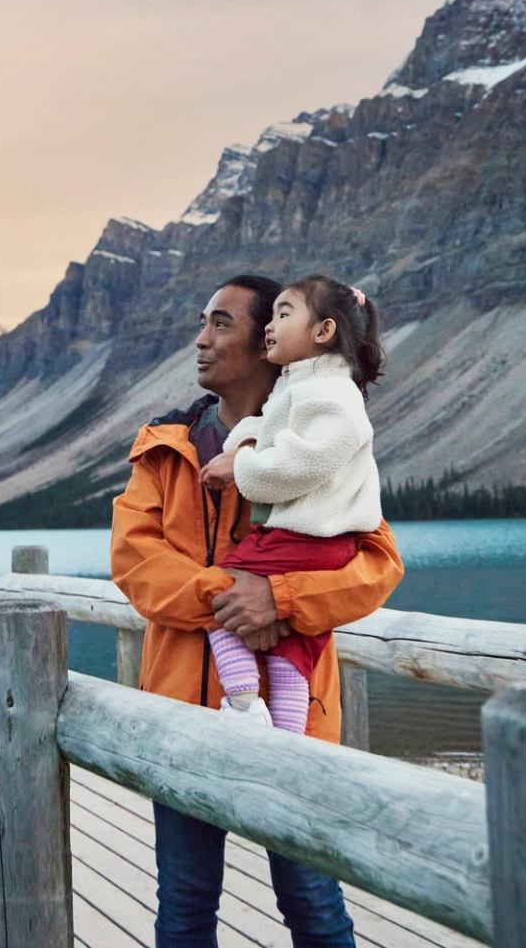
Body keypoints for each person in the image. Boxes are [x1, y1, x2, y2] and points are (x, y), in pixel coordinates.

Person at [109, 274, 404, 948]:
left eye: (220, 323)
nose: (200, 338)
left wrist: (282, 598)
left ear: (267, 340)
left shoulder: (319, 437)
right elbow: (135, 562)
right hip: (182, 713)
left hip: (297, 720)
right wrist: (233, 600)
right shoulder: (164, 448)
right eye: (202, 321)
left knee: (312, 900)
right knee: (184, 906)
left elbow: (379, 564)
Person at [197, 273, 386, 734]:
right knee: (292, 657)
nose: (201, 340)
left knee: (219, 593)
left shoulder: (330, 393)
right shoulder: (300, 387)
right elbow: (269, 426)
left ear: (322, 332)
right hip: (311, 546)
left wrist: (276, 598)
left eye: (283, 316)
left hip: (302, 540)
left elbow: (306, 459)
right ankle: (287, 738)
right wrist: (240, 449)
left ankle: (242, 704)